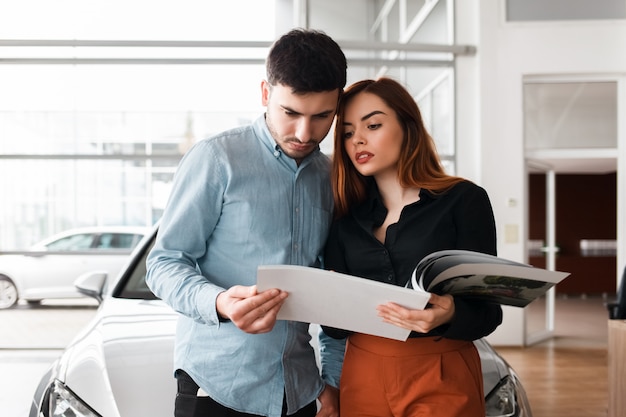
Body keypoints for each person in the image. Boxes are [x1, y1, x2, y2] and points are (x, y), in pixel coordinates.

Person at [146, 28, 347, 417]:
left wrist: (332, 382)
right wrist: (219, 302)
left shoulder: (332, 178)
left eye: (322, 116)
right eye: (291, 113)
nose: (305, 133)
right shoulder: (215, 159)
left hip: (300, 390)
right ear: (265, 94)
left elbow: (335, 289)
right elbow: (164, 263)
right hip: (217, 386)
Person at [323, 77, 503, 417]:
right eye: (347, 133)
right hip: (363, 371)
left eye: (373, 125)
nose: (357, 139)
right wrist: (328, 299)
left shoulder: (464, 201)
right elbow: (334, 329)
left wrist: (449, 313)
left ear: (408, 126)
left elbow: (488, 313)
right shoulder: (344, 218)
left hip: (441, 368)